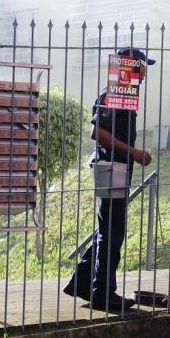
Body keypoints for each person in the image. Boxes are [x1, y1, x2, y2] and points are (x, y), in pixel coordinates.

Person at [63, 48, 155, 311]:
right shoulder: (115, 93)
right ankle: (103, 292)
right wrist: (133, 152)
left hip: (117, 168)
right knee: (112, 231)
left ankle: (83, 282)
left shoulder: (125, 94)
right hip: (110, 167)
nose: (145, 71)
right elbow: (96, 133)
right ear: (129, 66)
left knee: (110, 229)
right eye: (141, 65)